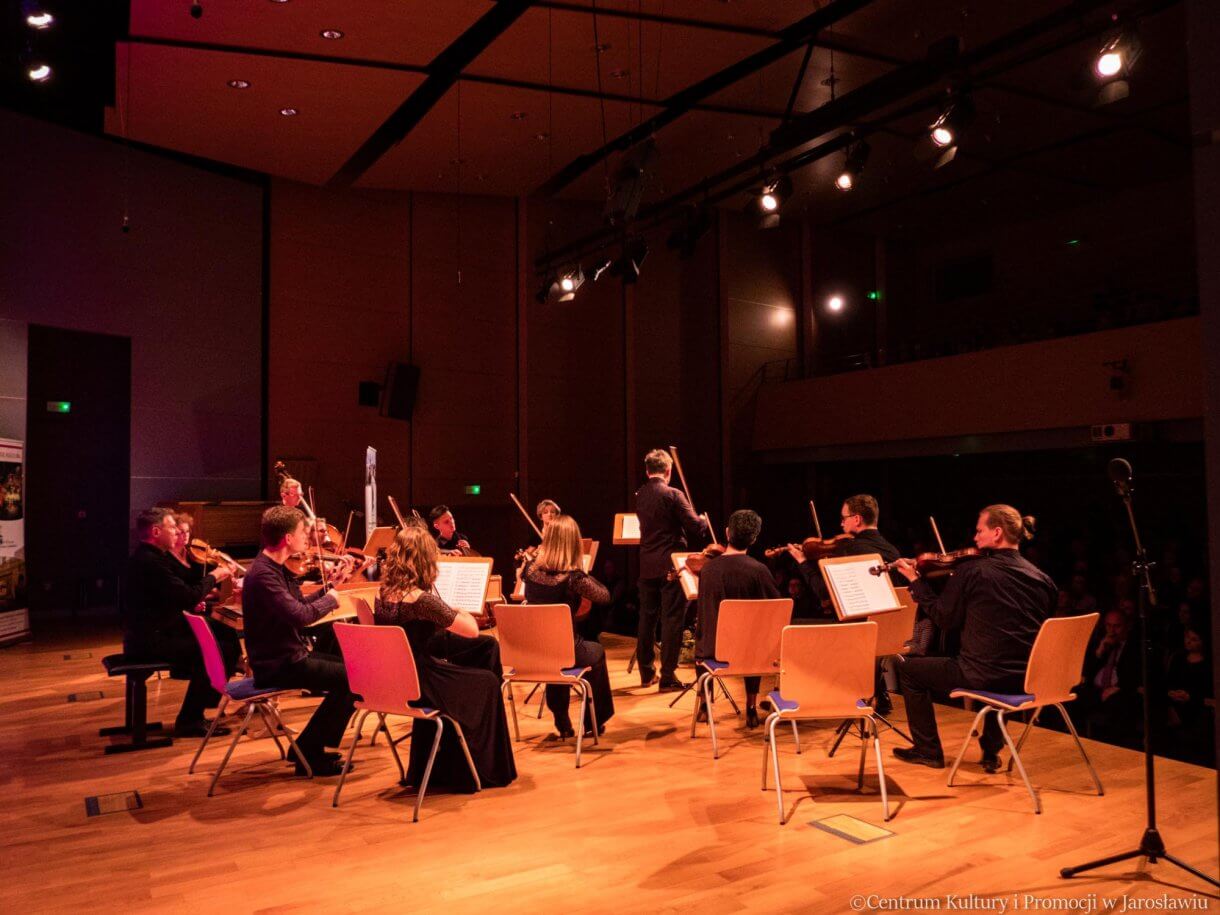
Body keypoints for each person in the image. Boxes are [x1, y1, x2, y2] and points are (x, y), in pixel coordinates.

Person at [890, 505, 1056, 771]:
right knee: (998, 659)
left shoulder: (974, 571)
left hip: (981, 674)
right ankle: (990, 750)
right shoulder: (1043, 579)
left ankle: (927, 750)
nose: (975, 538)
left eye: (980, 531)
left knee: (908, 669)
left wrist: (915, 581)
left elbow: (945, 619)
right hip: (1025, 679)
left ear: (997, 533)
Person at [374, 522, 516, 791]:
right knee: (486, 681)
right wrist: (457, 609)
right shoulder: (421, 600)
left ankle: (453, 756)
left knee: (480, 657)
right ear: (425, 559)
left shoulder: (383, 594)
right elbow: (472, 630)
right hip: (422, 682)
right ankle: (473, 766)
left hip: (398, 681)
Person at [241, 506, 354, 776]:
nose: (308, 538)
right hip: (278, 664)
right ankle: (308, 751)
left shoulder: (273, 568)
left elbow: (299, 604)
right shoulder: (264, 575)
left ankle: (307, 747)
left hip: (289, 656)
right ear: (288, 538)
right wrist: (331, 600)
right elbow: (301, 617)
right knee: (355, 679)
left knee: (353, 671)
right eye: (304, 532)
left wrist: (330, 587)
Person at [121, 507, 236, 737]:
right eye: (171, 527)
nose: (176, 532)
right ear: (155, 531)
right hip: (151, 640)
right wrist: (216, 575)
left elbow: (176, 595)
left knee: (227, 634)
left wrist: (191, 601)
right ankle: (190, 719)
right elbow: (188, 595)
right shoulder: (151, 562)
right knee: (213, 649)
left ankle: (207, 700)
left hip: (158, 629)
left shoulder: (152, 557)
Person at [787, 494, 901, 712]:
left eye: (844, 518)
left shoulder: (852, 549)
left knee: (791, 626)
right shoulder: (892, 551)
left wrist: (803, 562)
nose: (841, 524)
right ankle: (878, 688)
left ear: (856, 520)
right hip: (887, 634)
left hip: (857, 632)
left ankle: (798, 697)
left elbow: (823, 593)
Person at [522, 514, 615, 737]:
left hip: (534, 652)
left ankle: (561, 718)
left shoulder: (529, 571)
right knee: (594, 651)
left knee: (557, 654)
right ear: (572, 542)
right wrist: (583, 571)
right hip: (564, 651)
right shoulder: (573, 578)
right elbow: (604, 596)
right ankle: (593, 722)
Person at [695, 509, 780, 728]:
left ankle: (704, 704)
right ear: (754, 538)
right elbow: (776, 607)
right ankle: (751, 707)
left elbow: (703, 615)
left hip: (713, 652)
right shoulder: (759, 571)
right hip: (748, 655)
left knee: (703, 632)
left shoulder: (707, 571)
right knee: (754, 642)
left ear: (726, 533)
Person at [635, 449, 710, 691]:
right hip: (670, 564)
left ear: (647, 471)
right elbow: (695, 527)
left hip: (646, 564)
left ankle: (646, 673)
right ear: (668, 471)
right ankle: (667, 677)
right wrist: (703, 521)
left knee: (646, 619)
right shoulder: (673, 494)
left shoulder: (641, 494)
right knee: (672, 620)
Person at [1080, 609, 1142, 748]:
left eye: (1116, 626)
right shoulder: (1101, 641)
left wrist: (1119, 688)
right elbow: (1086, 672)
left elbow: (1135, 676)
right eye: (1108, 625)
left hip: (1122, 690)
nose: (1112, 630)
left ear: (1127, 626)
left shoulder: (1135, 646)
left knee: (1118, 703)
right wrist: (1100, 651)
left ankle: (1112, 746)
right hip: (1098, 689)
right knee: (1075, 694)